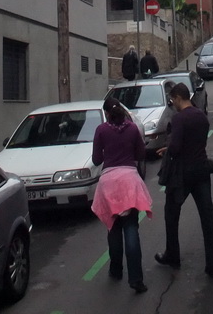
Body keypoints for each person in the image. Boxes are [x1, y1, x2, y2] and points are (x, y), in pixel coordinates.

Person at [155, 83, 213, 277]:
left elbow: (175, 148)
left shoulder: (179, 118)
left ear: (177, 97)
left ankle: (173, 255)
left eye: (172, 100)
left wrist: (169, 148)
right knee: (207, 218)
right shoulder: (201, 116)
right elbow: (196, 142)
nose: (172, 103)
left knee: (171, 215)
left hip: (182, 175)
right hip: (201, 171)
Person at [91, 98, 153, 293]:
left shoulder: (101, 130)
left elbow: (96, 159)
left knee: (114, 227)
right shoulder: (133, 129)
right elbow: (141, 155)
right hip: (129, 182)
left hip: (108, 183)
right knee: (131, 228)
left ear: (107, 114)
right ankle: (136, 279)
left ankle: (116, 270)